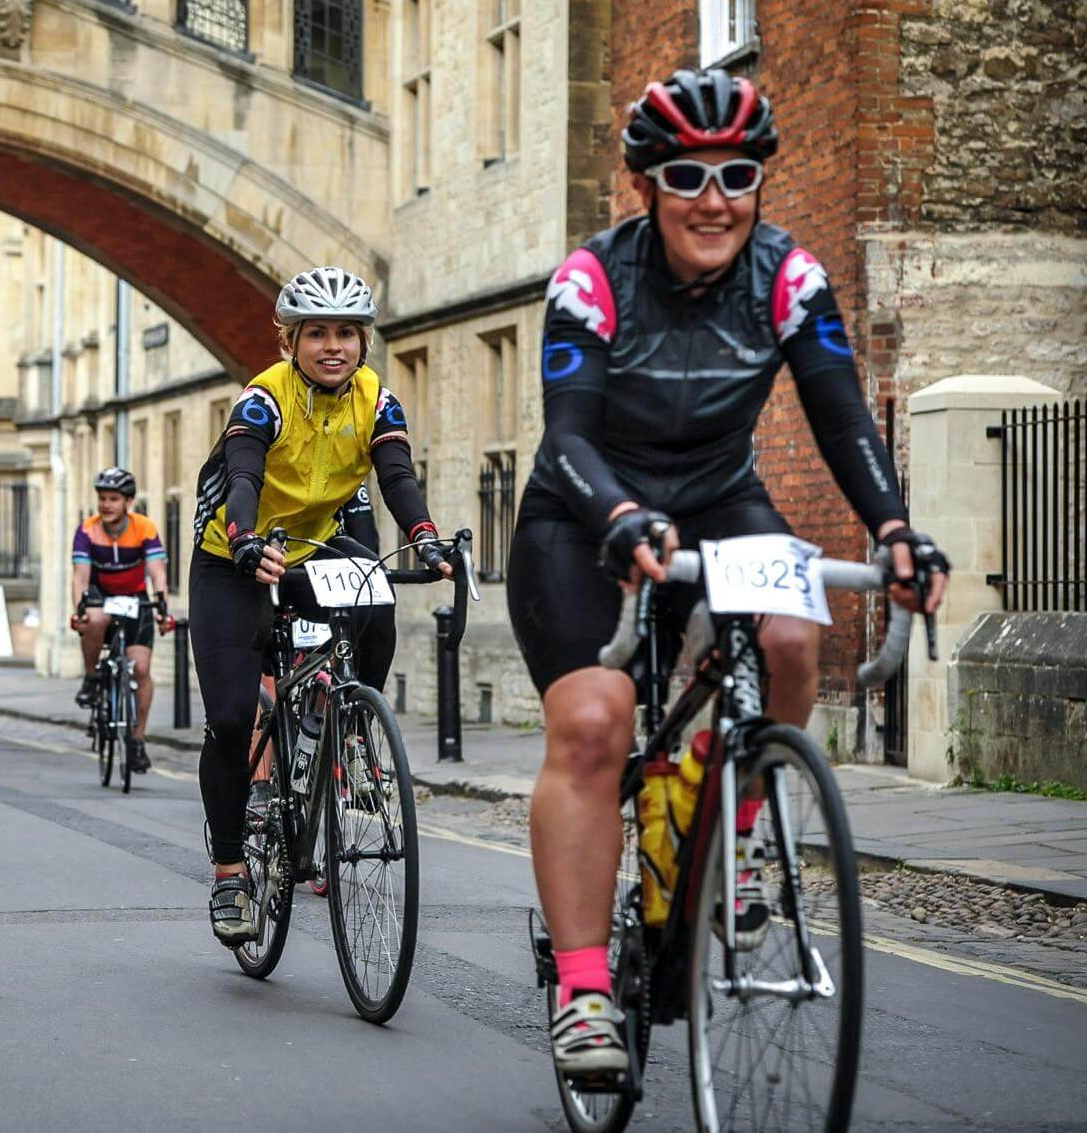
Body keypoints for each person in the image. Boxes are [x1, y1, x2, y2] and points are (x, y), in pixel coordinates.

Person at [510, 69, 950, 1077]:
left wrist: (893, 529)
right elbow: (565, 434)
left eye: (738, 174)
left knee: (794, 634)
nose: (715, 199)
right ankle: (583, 991)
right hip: (585, 511)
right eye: (687, 176)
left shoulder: (790, 279)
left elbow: (842, 412)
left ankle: (741, 829)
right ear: (647, 186)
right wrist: (620, 514)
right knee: (593, 726)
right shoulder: (592, 280)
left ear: (760, 183)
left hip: (715, 499)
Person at [189, 266, 453, 947]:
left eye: (346, 333)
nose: (332, 346)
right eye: (316, 334)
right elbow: (243, 476)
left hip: (310, 550)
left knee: (375, 592)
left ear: (363, 342)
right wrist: (246, 541)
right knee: (226, 716)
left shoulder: (377, 400)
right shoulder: (262, 400)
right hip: (234, 559)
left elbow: (396, 477)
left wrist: (425, 539)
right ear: (290, 342)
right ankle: (227, 875)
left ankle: (352, 725)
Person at [68, 467, 174, 774]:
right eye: (102, 499)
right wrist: (80, 607)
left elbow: (157, 571)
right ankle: (91, 677)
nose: (106, 505)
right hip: (102, 595)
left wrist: (162, 605)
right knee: (95, 619)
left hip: (135, 599)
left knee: (141, 668)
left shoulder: (144, 527)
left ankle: (137, 740)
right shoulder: (88, 530)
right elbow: (81, 577)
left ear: (128, 501)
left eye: (113, 499)